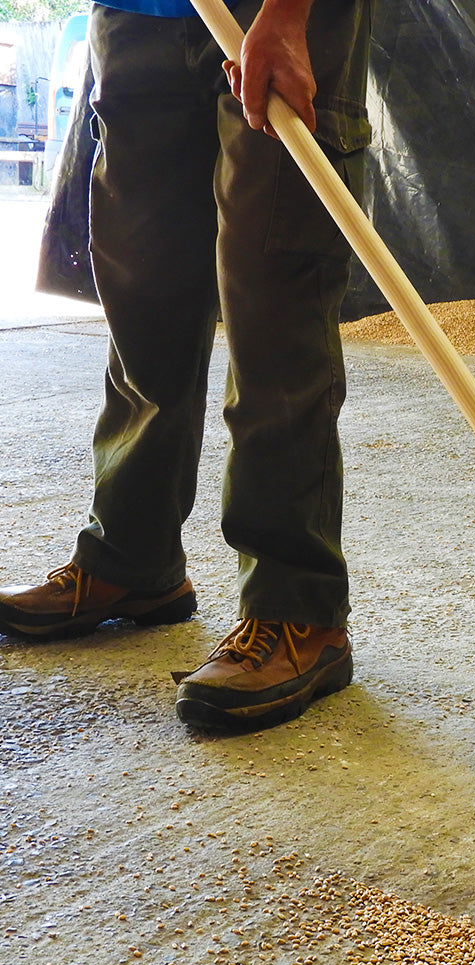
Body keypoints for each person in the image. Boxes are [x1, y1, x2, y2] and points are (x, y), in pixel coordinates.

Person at [0, 0, 373, 734]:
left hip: (271, 14)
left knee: (275, 312)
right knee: (145, 304)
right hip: (137, 15)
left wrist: (288, 13)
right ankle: (130, 561)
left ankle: (298, 612)